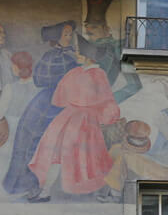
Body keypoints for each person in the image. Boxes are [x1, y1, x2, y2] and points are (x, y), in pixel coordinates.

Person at [3, 22, 90, 198]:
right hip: (45, 105)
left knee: (52, 150)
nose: (70, 38)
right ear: (56, 38)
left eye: (70, 34)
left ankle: (43, 188)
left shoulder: (75, 57)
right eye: (66, 34)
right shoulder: (51, 56)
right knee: (29, 143)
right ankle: (25, 186)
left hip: (65, 105)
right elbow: (39, 79)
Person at [27, 62, 120, 200]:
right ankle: (45, 191)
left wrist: (107, 117)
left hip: (81, 119)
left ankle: (113, 191)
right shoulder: (76, 71)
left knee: (93, 158)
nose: (78, 55)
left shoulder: (96, 74)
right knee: (55, 154)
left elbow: (106, 100)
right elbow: (60, 97)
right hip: (71, 119)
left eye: (80, 51)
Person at [0, 51, 36, 201]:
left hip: (11, 128)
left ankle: (0, 192)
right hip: (29, 129)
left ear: (17, 67)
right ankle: (22, 190)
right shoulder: (37, 87)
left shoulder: (11, 88)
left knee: (0, 158)